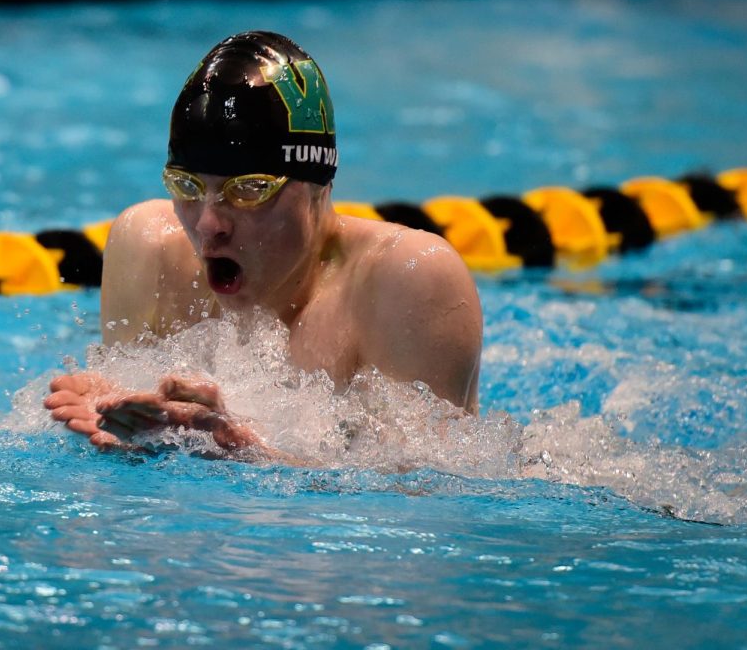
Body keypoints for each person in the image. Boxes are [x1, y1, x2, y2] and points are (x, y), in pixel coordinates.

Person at [45, 31, 482, 459]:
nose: (208, 224)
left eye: (249, 190)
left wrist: (248, 453)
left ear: (318, 187)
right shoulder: (151, 249)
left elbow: (423, 501)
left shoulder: (406, 282)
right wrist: (129, 436)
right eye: (188, 187)